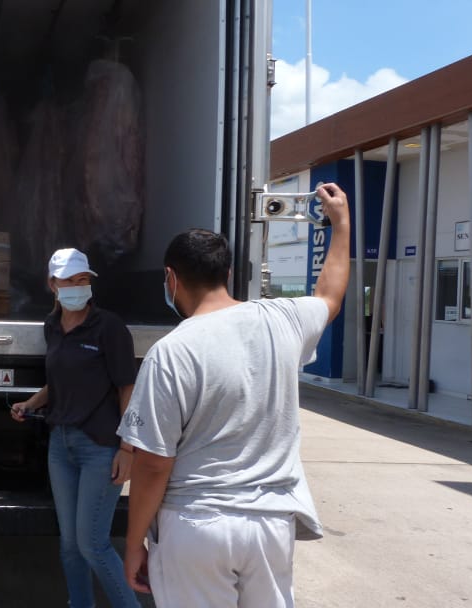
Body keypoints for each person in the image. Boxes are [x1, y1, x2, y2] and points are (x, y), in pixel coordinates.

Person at [119, 183, 351, 607]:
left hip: (196, 525)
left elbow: (153, 463)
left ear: (170, 279)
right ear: (226, 274)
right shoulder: (282, 320)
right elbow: (329, 297)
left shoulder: (170, 352)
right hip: (271, 525)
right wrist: (341, 226)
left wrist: (135, 542)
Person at [11, 247, 141, 608]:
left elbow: (127, 388)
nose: (77, 286)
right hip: (61, 446)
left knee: (93, 544)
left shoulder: (109, 328)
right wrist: (31, 403)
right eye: (69, 280)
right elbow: (62, 381)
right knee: (69, 544)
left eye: (83, 280)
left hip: (100, 447)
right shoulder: (52, 326)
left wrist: (127, 449)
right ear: (52, 285)